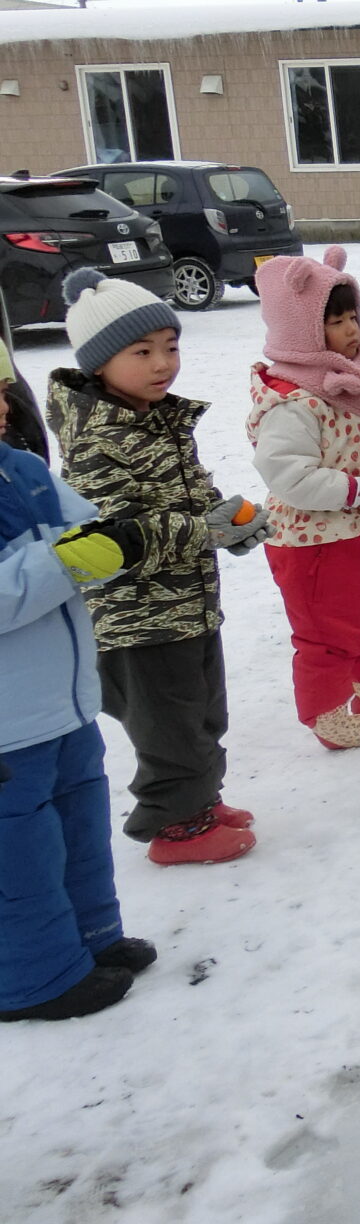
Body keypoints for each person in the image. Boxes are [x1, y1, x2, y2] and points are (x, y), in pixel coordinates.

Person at [47, 269, 265, 866]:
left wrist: (229, 520)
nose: (163, 363)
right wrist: (204, 531)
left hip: (187, 605)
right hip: (138, 622)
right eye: (141, 352)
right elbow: (116, 536)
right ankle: (175, 827)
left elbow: (187, 495)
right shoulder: (95, 440)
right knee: (168, 728)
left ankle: (200, 801)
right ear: (99, 363)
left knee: (203, 713)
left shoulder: (157, 418)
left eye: (170, 346)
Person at [0, 383, 156, 1021]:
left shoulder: (22, 469)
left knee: (80, 830)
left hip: (63, 704)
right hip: (8, 727)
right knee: (20, 854)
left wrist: (115, 542)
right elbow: (62, 561)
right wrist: (69, 561)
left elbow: (84, 533)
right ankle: (33, 981)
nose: (3, 407)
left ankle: (91, 938)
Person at [248, 248, 360, 751]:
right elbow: (287, 473)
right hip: (313, 543)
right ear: (302, 330)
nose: (351, 330)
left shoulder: (350, 384)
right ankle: (327, 713)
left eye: (353, 318)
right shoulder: (292, 401)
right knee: (328, 631)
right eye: (335, 321)